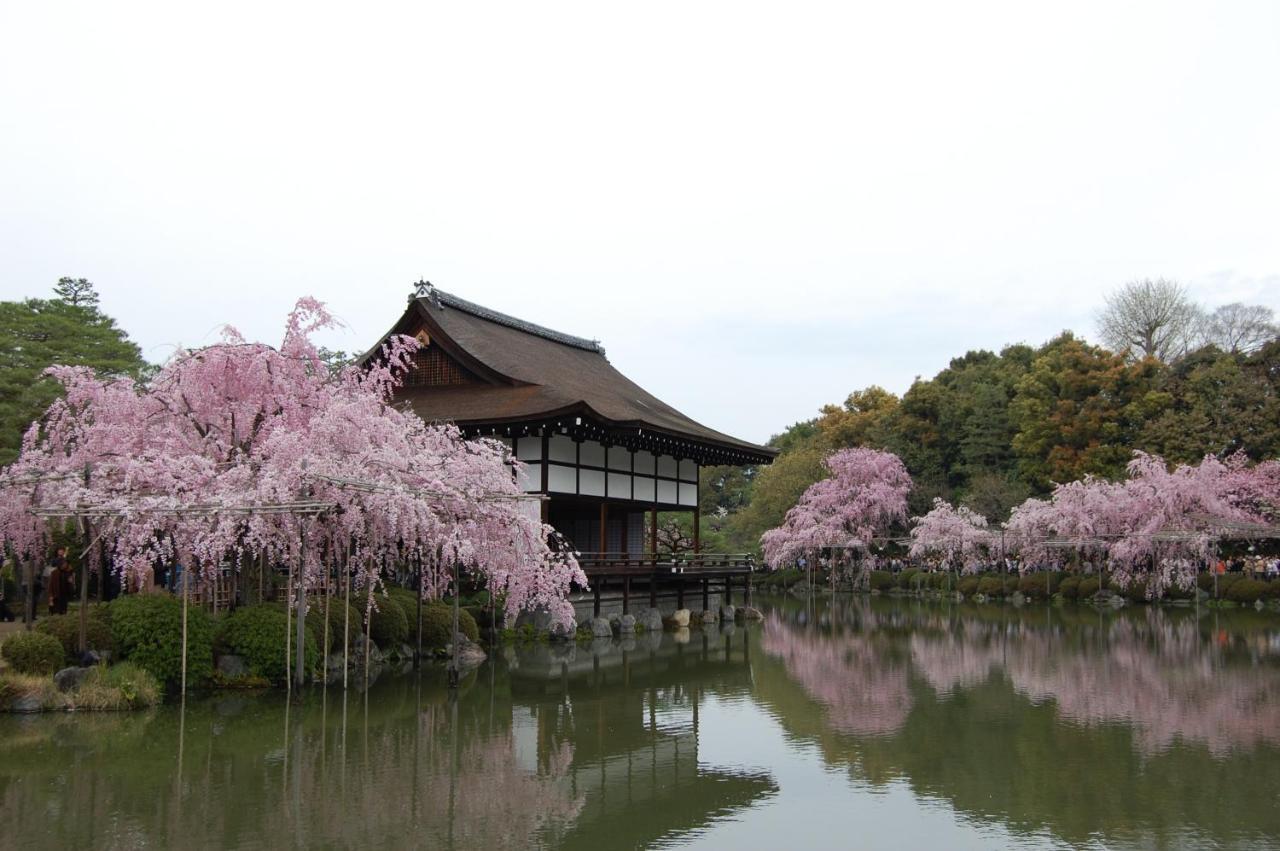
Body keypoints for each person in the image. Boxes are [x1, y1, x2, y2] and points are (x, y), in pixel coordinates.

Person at [46, 547, 68, 614]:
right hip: (55, 578)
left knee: (63, 594)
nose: (61, 552)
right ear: (57, 552)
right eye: (60, 551)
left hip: (63, 579)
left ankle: (63, 610)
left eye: (62, 551)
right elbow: (51, 568)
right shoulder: (54, 560)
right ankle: (54, 610)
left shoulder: (65, 560)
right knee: (54, 594)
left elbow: (67, 568)